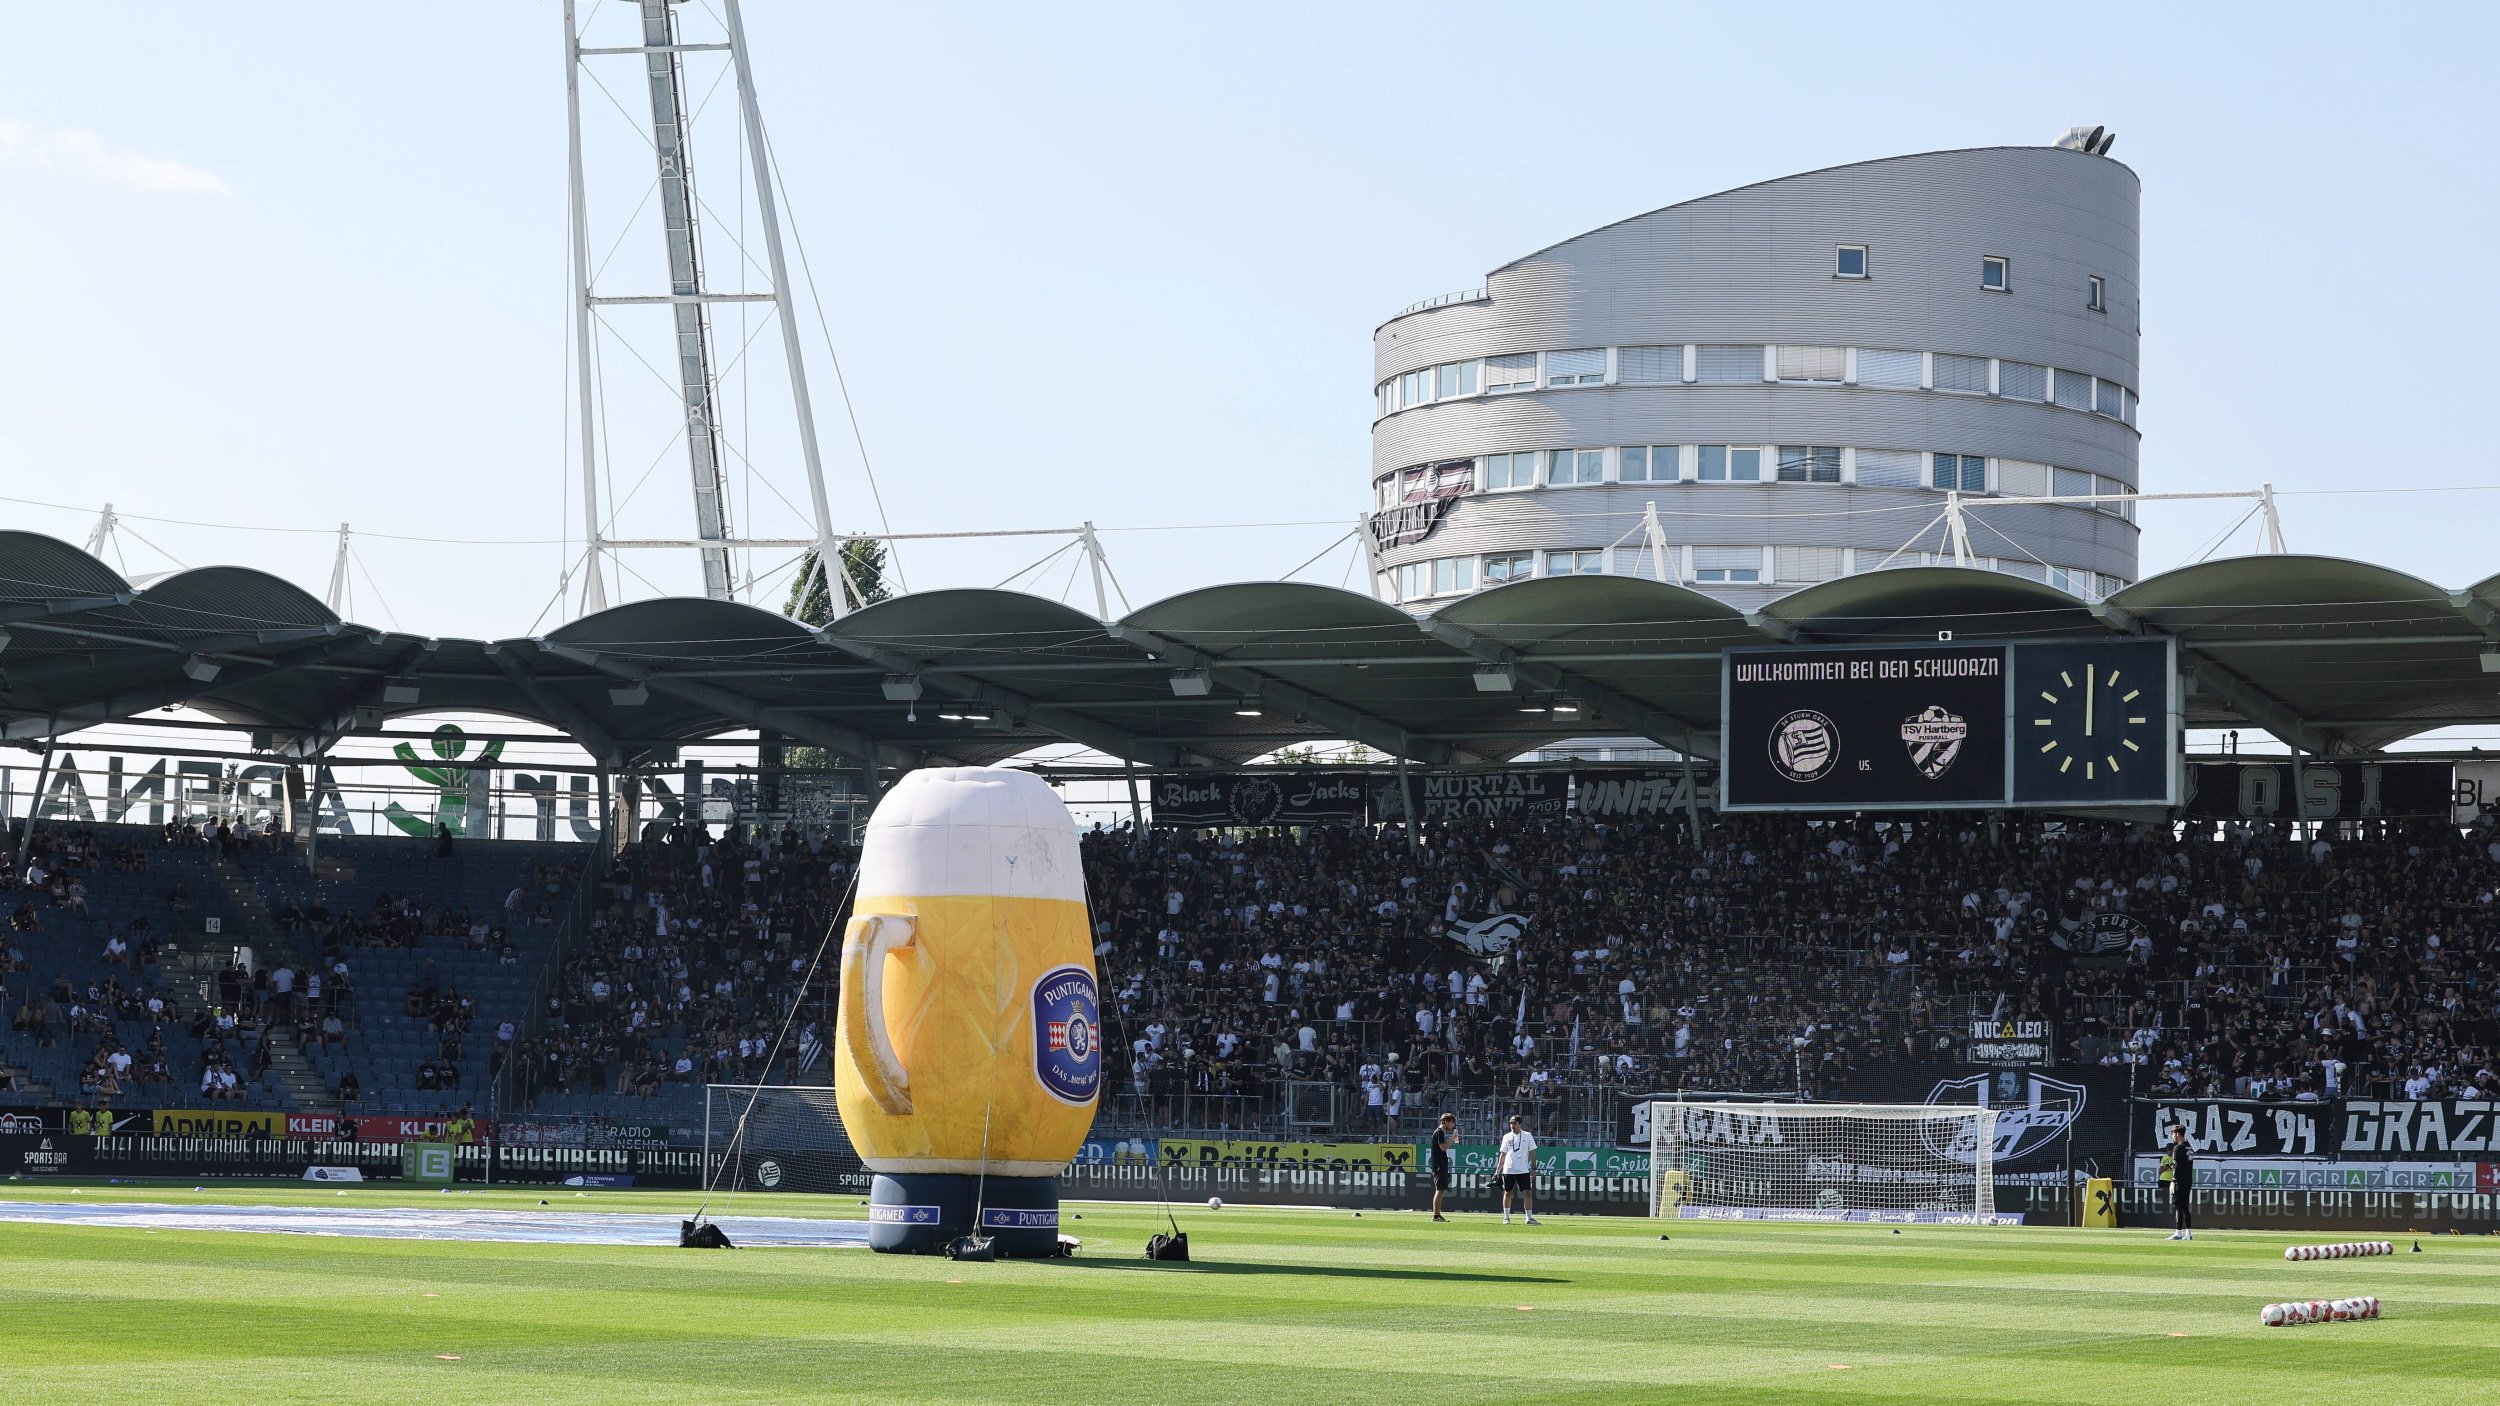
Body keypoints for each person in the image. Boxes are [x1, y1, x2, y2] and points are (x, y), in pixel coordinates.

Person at [1497, 1115, 1539, 1225]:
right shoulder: (1506, 1136)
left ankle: (1529, 1218)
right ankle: (1506, 1217)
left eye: (1514, 1123)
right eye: (1511, 1123)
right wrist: (1497, 1171)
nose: (1512, 1125)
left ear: (1520, 1124)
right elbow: (1502, 1154)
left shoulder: (1527, 1135)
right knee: (1507, 1193)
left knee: (1528, 1193)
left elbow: (1533, 1152)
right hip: (1509, 1169)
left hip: (1523, 1170)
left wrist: (1534, 1168)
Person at [2162, 1123, 2196, 1241]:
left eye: (2173, 1133)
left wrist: (2173, 1181)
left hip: (2179, 1181)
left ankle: (2178, 1233)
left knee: (2178, 1206)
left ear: (2177, 1134)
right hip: (2188, 1181)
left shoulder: (2178, 1148)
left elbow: (2177, 1166)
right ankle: (2189, 1233)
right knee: (2185, 1206)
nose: (2172, 1136)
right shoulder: (2189, 1147)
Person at [1428, 1112, 1457, 1222]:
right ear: (1446, 1122)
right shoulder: (1439, 1132)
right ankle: (1436, 1215)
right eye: (1451, 1123)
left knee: (1441, 1190)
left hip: (1441, 1165)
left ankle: (1437, 1214)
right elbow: (1443, 1147)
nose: (1452, 1125)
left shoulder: (1440, 1132)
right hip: (1439, 1166)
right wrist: (1453, 1138)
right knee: (1440, 1190)